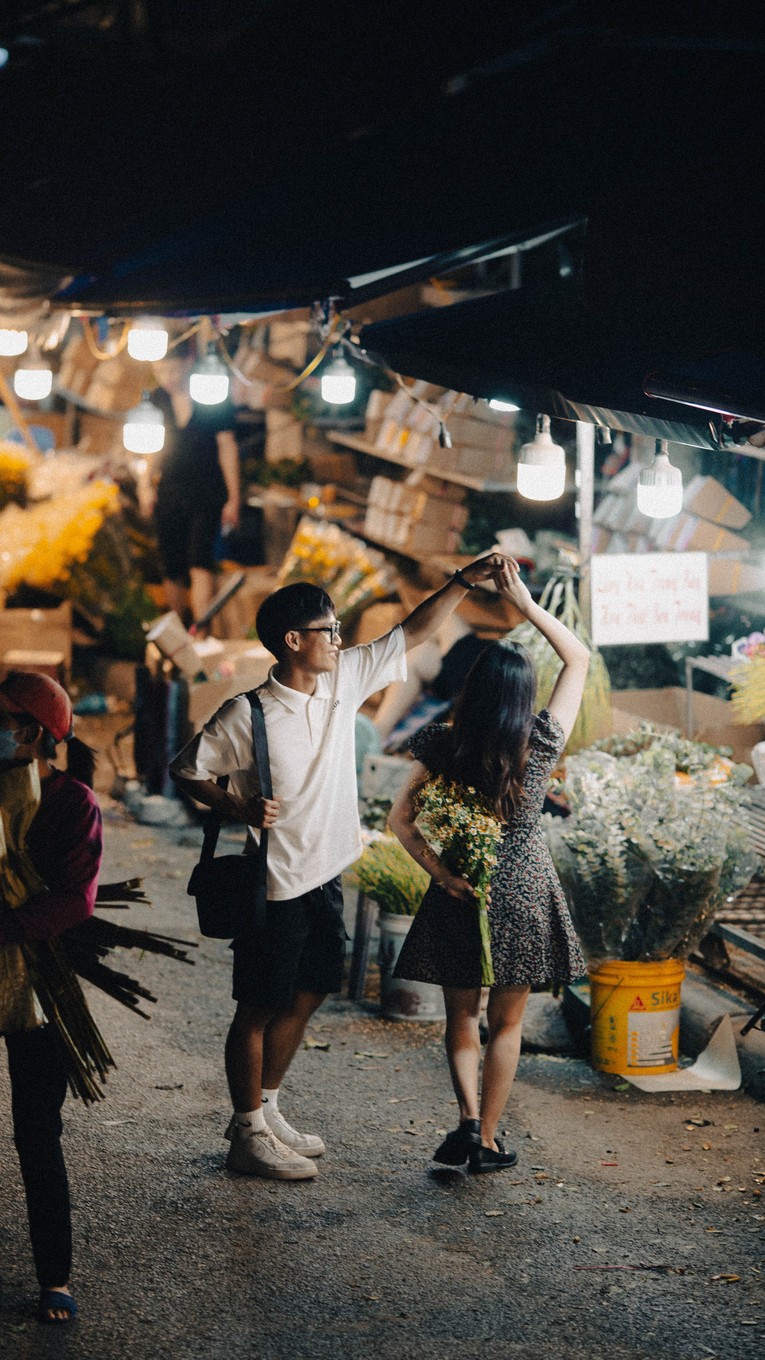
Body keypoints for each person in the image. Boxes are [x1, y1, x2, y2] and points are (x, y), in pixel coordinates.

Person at [170, 556, 509, 1181]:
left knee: (311, 989)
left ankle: (266, 1108)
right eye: (329, 630)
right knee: (257, 1005)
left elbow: (412, 632)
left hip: (325, 874)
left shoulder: (342, 680)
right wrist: (235, 802)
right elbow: (186, 769)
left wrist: (461, 582)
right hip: (273, 880)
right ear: (295, 640)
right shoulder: (247, 714)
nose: (341, 639)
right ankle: (246, 1134)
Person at [388, 558, 589, 1174]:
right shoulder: (543, 741)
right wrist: (525, 604)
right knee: (507, 1024)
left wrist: (442, 874)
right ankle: (491, 1140)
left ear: (472, 691)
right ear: (525, 696)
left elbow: (401, 823)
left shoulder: (442, 743)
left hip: (461, 891)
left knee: (462, 1018)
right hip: (525, 890)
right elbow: (577, 658)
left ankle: (467, 1122)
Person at [0, 671, 102, 1324]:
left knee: (39, 1132)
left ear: (33, 733)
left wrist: (7, 927)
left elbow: (76, 899)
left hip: (37, 980)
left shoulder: (71, 803)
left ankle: (54, 1277)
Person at [147, 347, 241, 626]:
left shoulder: (212, 395)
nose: (168, 377)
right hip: (169, 490)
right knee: (171, 563)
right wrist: (145, 484)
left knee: (200, 560)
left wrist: (234, 497)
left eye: (173, 369)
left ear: (188, 362)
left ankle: (200, 630)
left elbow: (227, 447)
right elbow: (151, 447)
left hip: (207, 491)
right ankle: (176, 630)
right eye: (161, 370)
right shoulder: (155, 400)